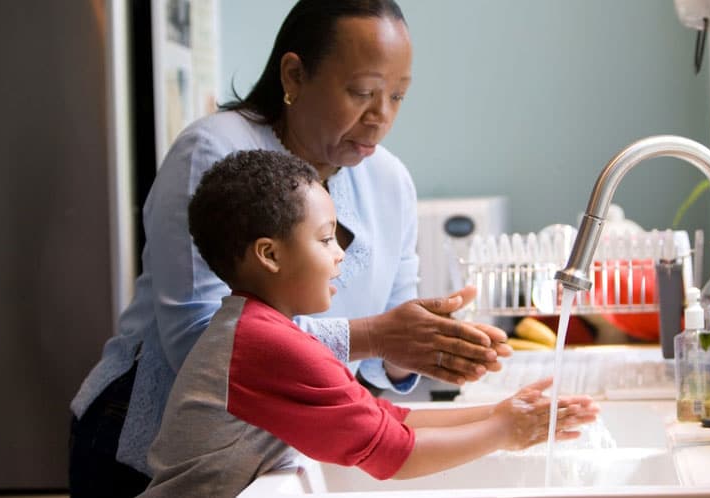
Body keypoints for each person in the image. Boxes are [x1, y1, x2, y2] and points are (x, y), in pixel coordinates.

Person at [68, 1, 511, 495]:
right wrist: (378, 336)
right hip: (148, 441)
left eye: (398, 97)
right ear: (295, 75)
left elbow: (381, 361)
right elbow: (201, 343)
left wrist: (430, 346)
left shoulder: (391, 181)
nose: (380, 116)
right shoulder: (214, 151)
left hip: (267, 450)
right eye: (362, 92)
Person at [140, 150, 599, 496]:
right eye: (324, 239)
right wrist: (506, 432)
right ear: (270, 254)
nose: (340, 254)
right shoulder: (264, 344)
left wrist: (499, 413)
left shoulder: (261, 329)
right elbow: (393, 454)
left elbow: (387, 417)